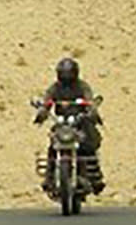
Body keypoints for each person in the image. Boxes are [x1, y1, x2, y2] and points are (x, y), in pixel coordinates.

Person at [33, 57, 105, 193]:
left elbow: (89, 99)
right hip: (62, 122)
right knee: (53, 147)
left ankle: (95, 177)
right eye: (64, 73)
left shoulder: (82, 86)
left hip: (80, 121)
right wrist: (42, 111)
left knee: (89, 143)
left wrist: (92, 110)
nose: (66, 77)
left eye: (69, 73)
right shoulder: (55, 88)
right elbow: (47, 100)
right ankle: (49, 177)